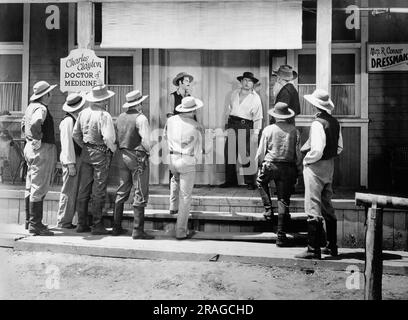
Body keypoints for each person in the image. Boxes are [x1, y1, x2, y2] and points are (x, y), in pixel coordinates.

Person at [295, 89, 343, 260]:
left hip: (315, 165)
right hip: (329, 165)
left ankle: (313, 249)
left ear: (315, 105)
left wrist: (307, 160)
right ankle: (332, 246)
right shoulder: (335, 122)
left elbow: (316, 149)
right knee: (327, 204)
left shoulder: (317, 124)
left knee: (313, 204)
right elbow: (339, 147)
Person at [255, 102, 302, 247]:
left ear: (275, 116)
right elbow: (298, 155)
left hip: (270, 165)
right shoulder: (294, 131)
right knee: (283, 199)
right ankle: (281, 237)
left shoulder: (268, 130)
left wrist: (259, 165)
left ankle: (268, 210)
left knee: (260, 182)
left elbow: (261, 152)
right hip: (288, 168)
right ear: (287, 116)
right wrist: (298, 171)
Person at [73, 84, 117, 235]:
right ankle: (97, 225)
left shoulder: (82, 113)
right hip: (100, 153)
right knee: (98, 189)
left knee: (83, 189)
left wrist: (85, 146)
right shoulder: (105, 115)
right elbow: (108, 138)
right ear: (104, 99)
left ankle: (81, 223)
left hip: (86, 152)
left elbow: (76, 135)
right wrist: (113, 149)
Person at [113, 90, 154, 239]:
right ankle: (137, 230)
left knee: (122, 190)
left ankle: (116, 227)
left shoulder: (120, 118)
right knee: (140, 191)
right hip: (137, 156)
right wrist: (149, 152)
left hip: (122, 155)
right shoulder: (141, 118)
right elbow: (146, 141)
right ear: (139, 104)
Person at [164, 96, 206, 239]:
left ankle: (173, 206)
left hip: (172, 157)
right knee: (186, 197)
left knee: (175, 179)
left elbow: (164, 136)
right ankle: (181, 231)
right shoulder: (197, 126)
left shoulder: (170, 120)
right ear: (193, 110)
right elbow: (203, 148)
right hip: (186, 159)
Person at [22, 80, 58, 236]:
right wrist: (37, 139)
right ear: (46, 95)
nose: (51, 96)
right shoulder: (41, 108)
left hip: (29, 147)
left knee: (30, 185)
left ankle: (29, 221)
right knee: (39, 185)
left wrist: (30, 139)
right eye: (49, 93)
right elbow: (36, 123)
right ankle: (35, 224)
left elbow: (24, 125)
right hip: (40, 148)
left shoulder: (30, 107)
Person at [220, 71, 263, 190]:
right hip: (232, 124)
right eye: (245, 80)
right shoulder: (234, 93)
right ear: (241, 81)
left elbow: (258, 117)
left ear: (253, 84)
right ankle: (230, 180)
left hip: (246, 125)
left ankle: (250, 182)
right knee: (229, 154)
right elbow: (229, 109)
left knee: (245, 154)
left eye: (249, 81)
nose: (247, 83)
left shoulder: (256, 98)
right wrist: (226, 125)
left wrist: (256, 133)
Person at [55, 92, 86, 229]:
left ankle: (67, 220)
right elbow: (67, 143)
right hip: (71, 160)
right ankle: (63, 221)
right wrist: (70, 163)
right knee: (68, 191)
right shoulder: (68, 121)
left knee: (73, 190)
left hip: (75, 159)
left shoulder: (74, 119)